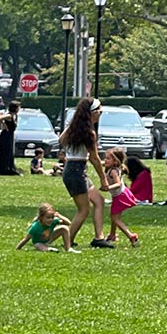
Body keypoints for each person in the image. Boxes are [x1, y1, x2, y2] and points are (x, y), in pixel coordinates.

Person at [58, 96, 108, 246]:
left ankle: (99, 238)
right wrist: (103, 179)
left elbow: (61, 140)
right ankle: (68, 240)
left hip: (74, 170)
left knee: (99, 201)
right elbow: (94, 158)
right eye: (99, 110)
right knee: (84, 210)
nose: (101, 112)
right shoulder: (89, 133)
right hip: (76, 172)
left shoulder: (74, 129)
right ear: (91, 113)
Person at [101, 147, 140, 246]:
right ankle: (112, 235)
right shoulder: (113, 167)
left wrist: (108, 187)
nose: (105, 160)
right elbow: (100, 163)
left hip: (120, 196)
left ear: (115, 161)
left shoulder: (113, 171)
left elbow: (118, 183)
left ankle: (131, 236)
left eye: (108, 158)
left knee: (115, 218)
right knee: (114, 216)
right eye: (105, 158)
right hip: (120, 194)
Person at [0, 100, 19, 175]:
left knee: (10, 152)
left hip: (10, 135)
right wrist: (3, 125)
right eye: (18, 107)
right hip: (6, 135)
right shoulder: (9, 116)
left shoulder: (14, 116)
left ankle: (10, 167)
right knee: (6, 152)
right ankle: (4, 169)